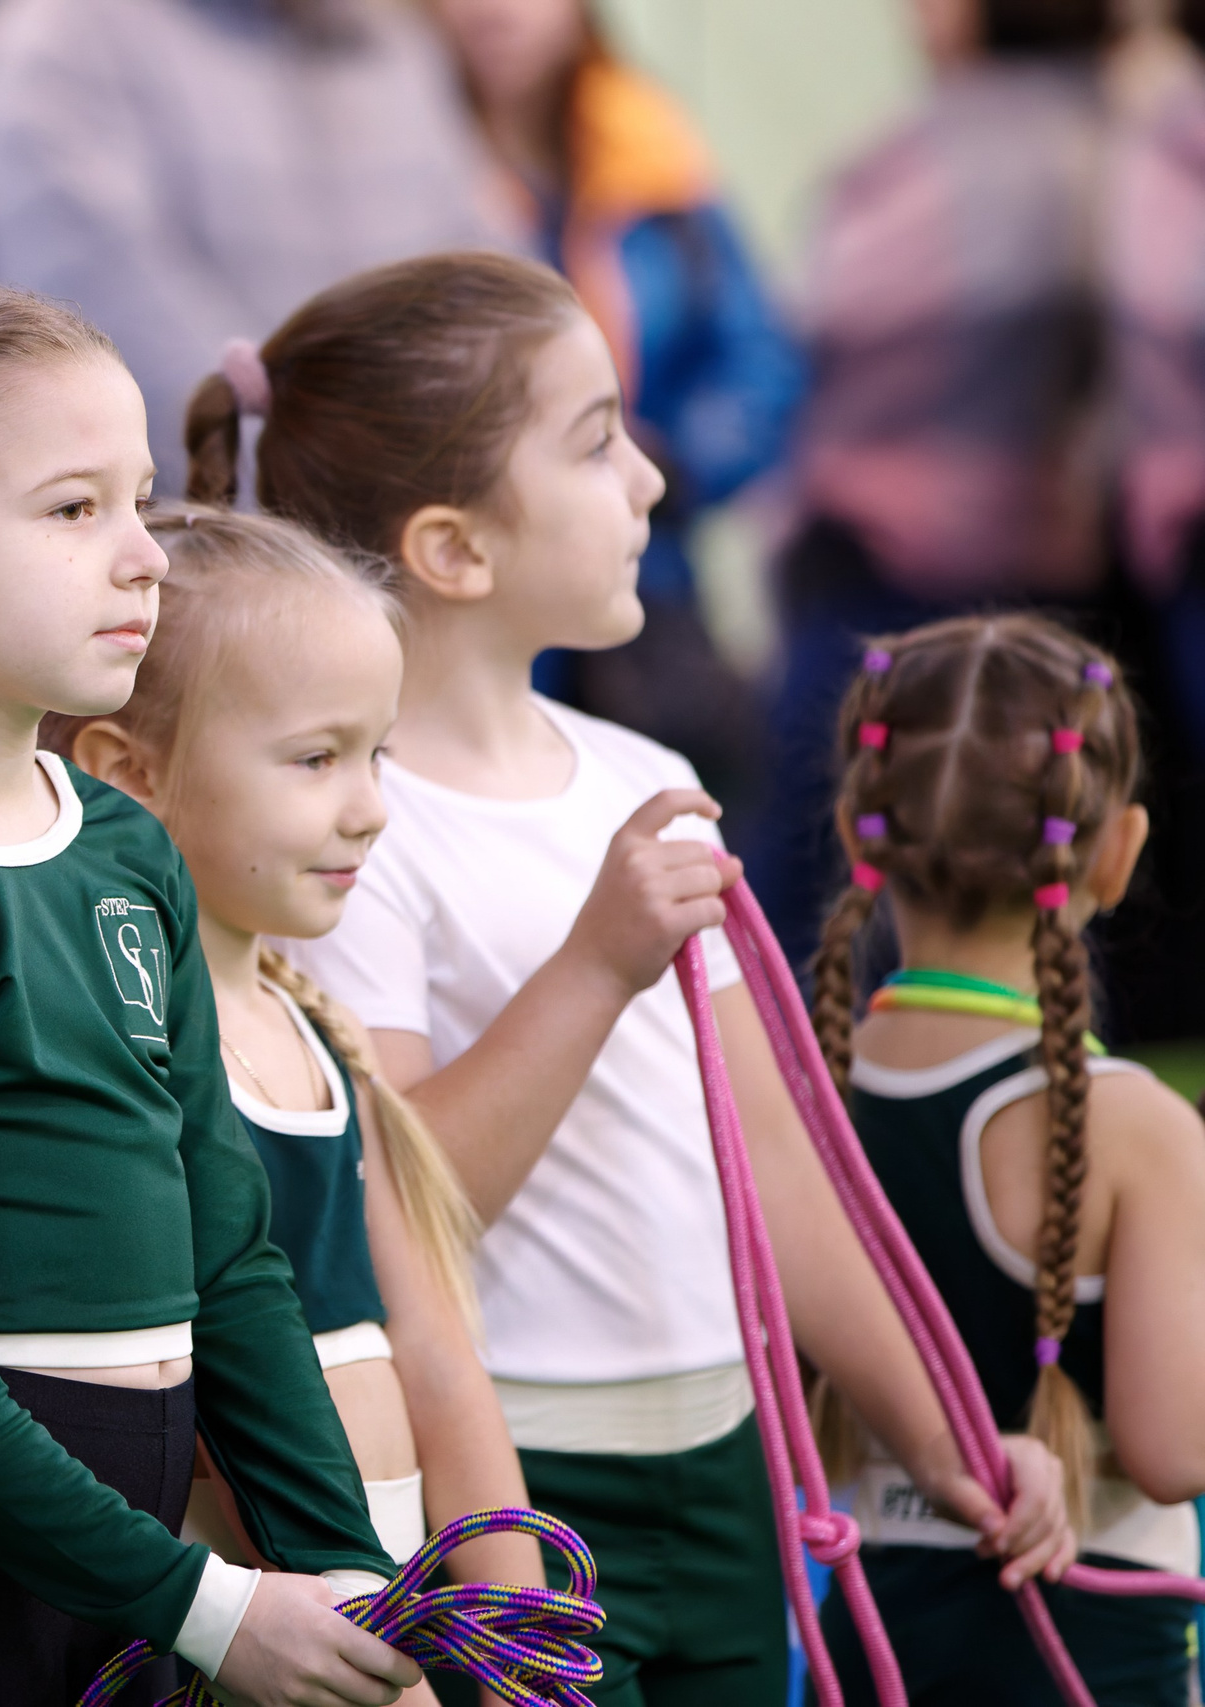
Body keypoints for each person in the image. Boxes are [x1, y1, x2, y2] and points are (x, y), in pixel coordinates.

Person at [197, 251, 1075, 1705]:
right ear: (454, 548)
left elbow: (775, 1162)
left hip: (729, 1467)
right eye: (598, 439)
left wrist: (947, 1439)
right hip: (520, 1487)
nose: (652, 480)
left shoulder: (642, 777)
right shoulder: (348, 834)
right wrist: (597, 966)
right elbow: (388, 1210)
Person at [0, 278, 417, 1707]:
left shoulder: (121, 843)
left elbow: (231, 1259)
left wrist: (350, 1578)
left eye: (139, 501)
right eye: (71, 509)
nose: (143, 557)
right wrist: (208, 1606)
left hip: (130, 1589)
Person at [40, 507, 547, 1677]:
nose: (370, 807)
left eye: (378, 756)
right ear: (130, 773)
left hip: (383, 1613)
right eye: (317, 759)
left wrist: (517, 1653)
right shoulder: (121, 1062)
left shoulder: (321, 1034)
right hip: (254, 1644)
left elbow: (436, 1356)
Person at [809, 617, 1205, 1707]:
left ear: (858, 829)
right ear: (1116, 849)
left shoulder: (799, 1096)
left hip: (871, 1636)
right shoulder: (1138, 1123)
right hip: (1090, 1648)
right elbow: (1173, 1449)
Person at [759, 0, 1115, 968]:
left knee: (819, 873)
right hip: (1066, 567)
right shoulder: (1118, 135)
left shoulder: (934, 158)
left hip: (889, 562)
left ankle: (780, 1058)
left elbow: (815, 326)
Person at [431, 0, 802, 821]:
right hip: (467, 585)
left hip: (645, 582)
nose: (494, 11)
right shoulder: (396, 149)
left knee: (670, 823)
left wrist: (659, 467)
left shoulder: (650, 148)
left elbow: (761, 364)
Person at [0, 0, 502, 489]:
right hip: (196, 544)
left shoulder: (396, 45)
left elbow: (483, 289)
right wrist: (342, 495)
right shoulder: (66, 41)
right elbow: (115, 335)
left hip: (419, 523)